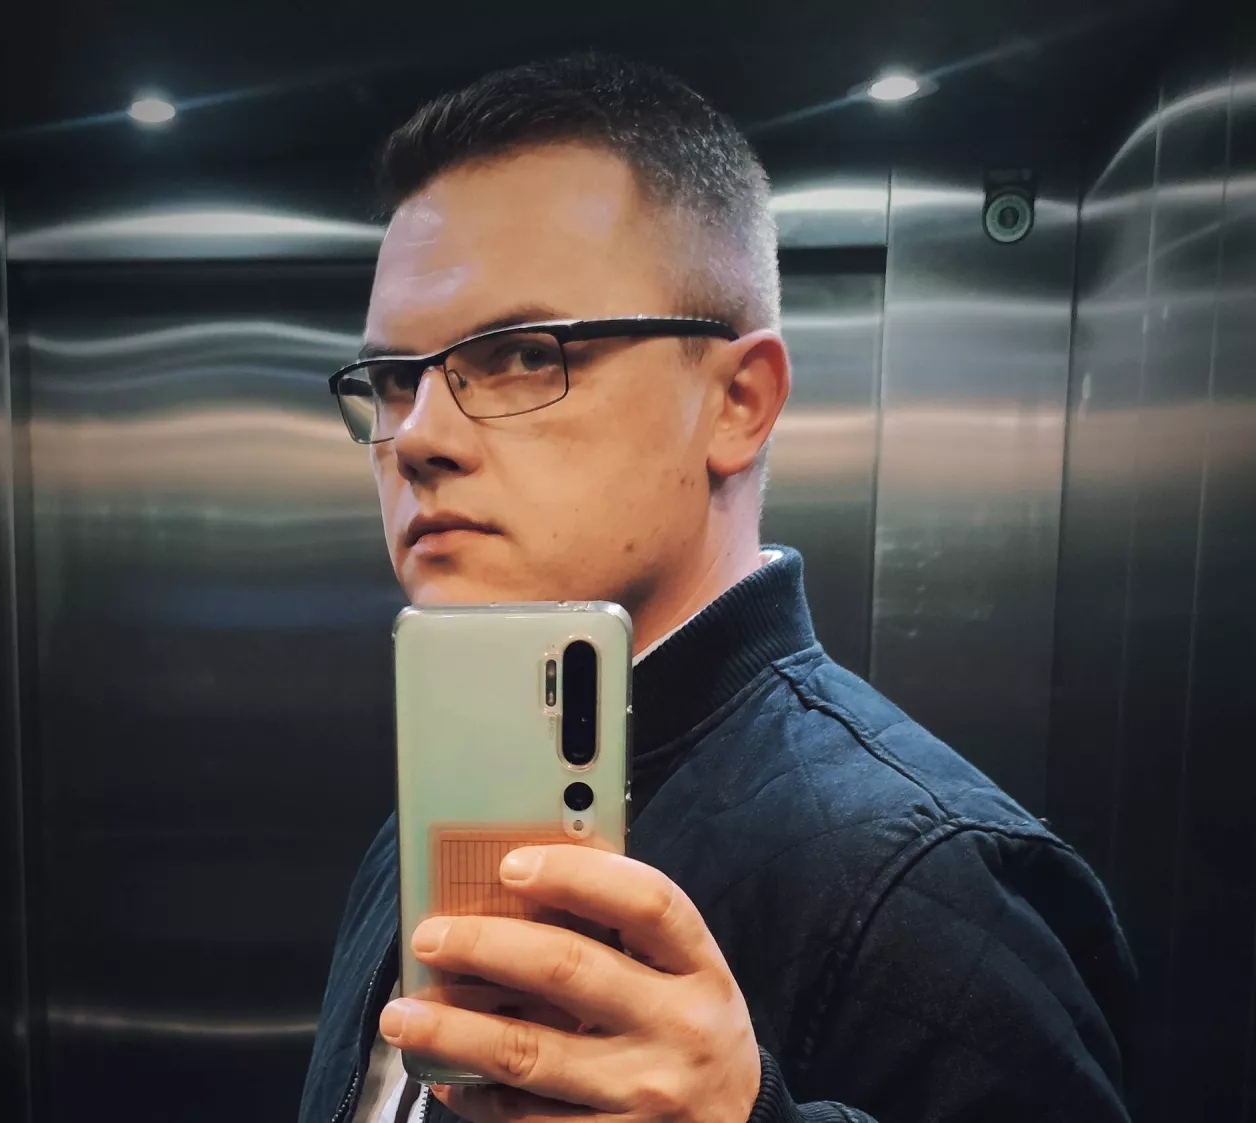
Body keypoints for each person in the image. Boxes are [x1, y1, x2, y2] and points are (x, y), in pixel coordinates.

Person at [300, 53, 1135, 1123]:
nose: (417, 437)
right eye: (391, 379)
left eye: (521, 354)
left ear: (739, 401)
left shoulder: (932, 878)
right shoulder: (438, 816)